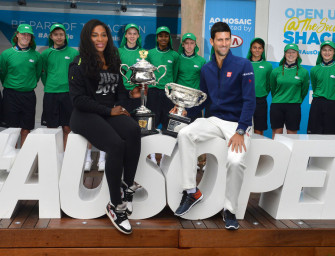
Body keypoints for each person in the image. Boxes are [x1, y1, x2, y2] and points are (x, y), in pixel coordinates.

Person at [173, 22, 256, 230]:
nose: (224, 43)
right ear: (212, 42)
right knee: (185, 134)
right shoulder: (206, 68)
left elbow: (250, 101)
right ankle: (192, 191)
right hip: (214, 120)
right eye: (220, 39)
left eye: (227, 39)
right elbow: (203, 99)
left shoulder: (243, 65)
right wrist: (185, 110)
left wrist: (240, 130)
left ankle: (230, 210)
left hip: (238, 123)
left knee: (235, 162)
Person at [68, 19, 141, 235]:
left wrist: (129, 96)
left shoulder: (113, 59)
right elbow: (78, 100)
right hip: (84, 115)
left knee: (133, 130)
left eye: (103, 35)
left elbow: (117, 92)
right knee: (116, 145)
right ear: (87, 38)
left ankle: (127, 187)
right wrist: (110, 111)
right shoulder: (78, 63)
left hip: (108, 112)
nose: (100, 39)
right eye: (95, 35)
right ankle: (115, 206)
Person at [0, 24, 42, 146]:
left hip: (28, 95)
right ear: (17, 34)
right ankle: (11, 160)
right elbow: (3, 73)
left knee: (26, 129)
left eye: (29, 35)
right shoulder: (6, 54)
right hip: (10, 95)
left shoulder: (36, 55)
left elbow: (37, 74)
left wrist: (28, 85)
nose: (26, 37)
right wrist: (12, 85)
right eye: (23, 34)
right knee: (12, 130)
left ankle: (23, 159)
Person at [41, 23, 78, 150]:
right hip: (51, 93)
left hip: (68, 94)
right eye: (56, 35)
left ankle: (65, 156)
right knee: (51, 128)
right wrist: (51, 85)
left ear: (65, 36)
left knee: (67, 127)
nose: (59, 37)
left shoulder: (73, 52)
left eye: (61, 34)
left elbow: (77, 74)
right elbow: (43, 73)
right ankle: (53, 157)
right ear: (51, 36)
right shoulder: (45, 54)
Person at [270, 44, 309, 139]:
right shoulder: (276, 71)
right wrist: (279, 98)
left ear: (297, 54)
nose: (291, 54)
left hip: (293, 105)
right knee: (277, 133)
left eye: (293, 52)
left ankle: (291, 154)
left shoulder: (303, 72)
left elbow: (304, 91)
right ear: (285, 54)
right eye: (288, 52)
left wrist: (296, 99)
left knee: (292, 133)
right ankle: (275, 154)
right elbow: (273, 88)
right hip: (277, 105)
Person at [147, 26, 179, 129]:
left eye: (166, 36)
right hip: (153, 92)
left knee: (167, 123)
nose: (163, 38)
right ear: (157, 38)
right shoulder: (150, 53)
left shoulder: (175, 55)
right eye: (161, 36)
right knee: (152, 123)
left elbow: (175, 74)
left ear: (169, 38)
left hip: (168, 94)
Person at [176, 32, 206, 122]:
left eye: (192, 43)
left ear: (195, 44)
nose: (189, 46)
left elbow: (203, 81)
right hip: (179, 99)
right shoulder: (177, 58)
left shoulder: (201, 61)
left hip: (194, 100)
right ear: (183, 45)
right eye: (187, 43)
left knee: (195, 129)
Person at [307, 40, 335, 134]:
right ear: (320, 52)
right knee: (314, 132)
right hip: (317, 103)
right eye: (324, 50)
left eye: (330, 50)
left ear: (333, 52)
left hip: (332, 104)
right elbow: (314, 86)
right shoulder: (315, 69)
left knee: (331, 134)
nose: (327, 52)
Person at [246, 38, 272, 135]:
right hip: (245, 100)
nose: (257, 50)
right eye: (255, 47)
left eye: (260, 48)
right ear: (251, 49)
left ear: (263, 50)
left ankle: (259, 150)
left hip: (260, 100)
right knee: (244, 127)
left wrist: (262, 92)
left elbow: (269, 84)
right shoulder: (244, 64)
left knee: (259, 128)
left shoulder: (267, 65)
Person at [118, 23, 143, 113]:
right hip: (121, 91)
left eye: (134, 33)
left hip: (136, 91)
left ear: (138, 35)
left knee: (136, 120)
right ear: (125, 35)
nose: (132, 36)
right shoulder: (118, 52)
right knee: (121, 119)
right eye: (130, 33)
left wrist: (138, 88)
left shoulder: (143, 53)